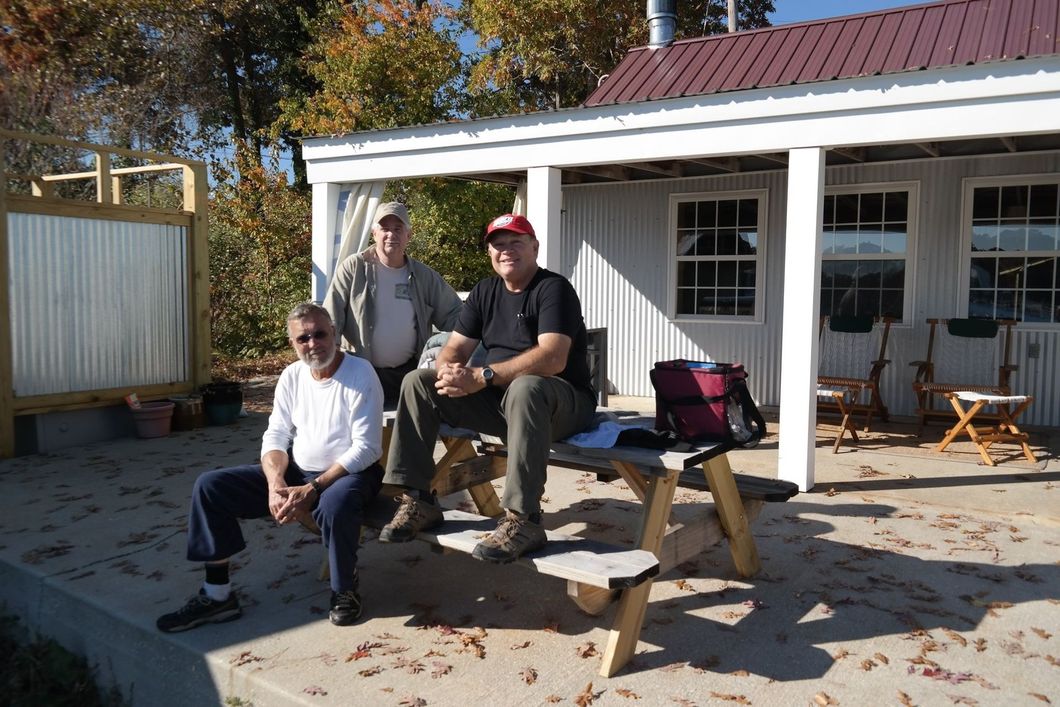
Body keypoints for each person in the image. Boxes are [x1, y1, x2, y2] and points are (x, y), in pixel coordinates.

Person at [379, 213, 597, 563]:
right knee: (418, 382)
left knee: (527, 387)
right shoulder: (485, 291)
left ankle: (524, 519)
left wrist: (482, 377)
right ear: (490, 253)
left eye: (516, 242)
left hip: (563, 403)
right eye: (498, 244)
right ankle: (419, 499)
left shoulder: (553, 289)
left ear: (534, 247)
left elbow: (553, 358)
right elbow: (454, 347)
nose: (506, 250)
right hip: (504, 405)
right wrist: (449, 371)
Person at [156, 303, 384, 632]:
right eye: (302, 338)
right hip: (298, 473)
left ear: (334, 332)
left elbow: (367, 448)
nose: (313, 343)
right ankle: (218, 596)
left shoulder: (360, 373)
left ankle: (343, 589)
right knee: (211, 487)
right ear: (292, 343)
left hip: (349, 475)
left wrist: (314, 488)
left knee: (338, 502)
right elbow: (276, 435)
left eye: (319, 334)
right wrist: (275, 483)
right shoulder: (292, 376)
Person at [324, 201, 463, 406]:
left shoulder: (425, 276)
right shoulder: (354, 267)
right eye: (385, 229)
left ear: (409, 235)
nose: (391, 235)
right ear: (374, 233)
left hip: (409, 374)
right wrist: (328, 367)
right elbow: (330, 319)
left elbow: (455, 316)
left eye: (398, 229)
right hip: (360, 373)